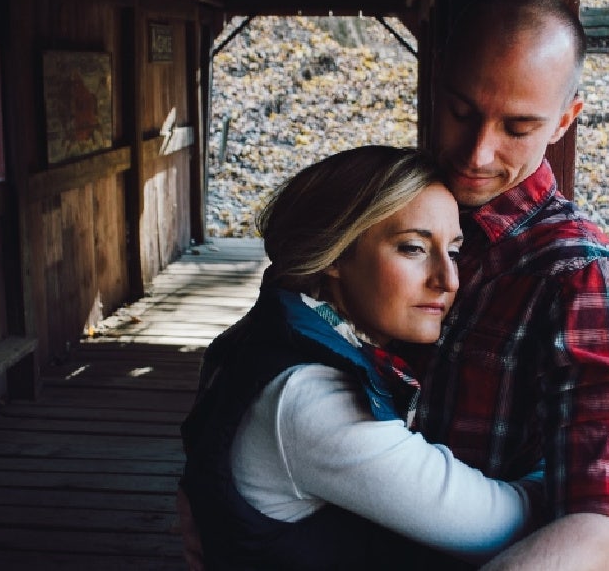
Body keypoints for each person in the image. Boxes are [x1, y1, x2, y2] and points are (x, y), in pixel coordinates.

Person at [178, 145, 545, 569]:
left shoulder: (271, 334)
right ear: (336, 252)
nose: (448, 280)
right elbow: (499, 527)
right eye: (413, 248)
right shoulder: (312, 400)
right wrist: (573, 466)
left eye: (455, 251)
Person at [413, 0, 609, 571]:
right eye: (461, 112)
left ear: (563, 121)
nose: (477, 153)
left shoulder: (580, 278)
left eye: (518, 128)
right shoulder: (378, 206)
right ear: (434, 81)